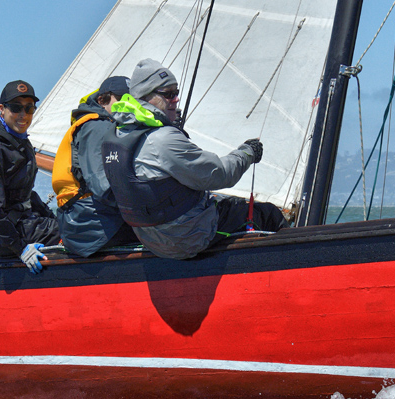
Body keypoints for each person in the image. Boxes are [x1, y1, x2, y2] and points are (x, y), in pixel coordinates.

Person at [102, 58, 287, 260]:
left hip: (151, 238)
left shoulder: (117, 135)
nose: (176, 100)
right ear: (146, 97)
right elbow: (221, 175)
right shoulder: (162, 139)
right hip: (186, 239)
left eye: (176, 93)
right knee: (267, 214)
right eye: (169, 94)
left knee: (226, 203)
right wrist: (247, 152)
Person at [0, 81, 60, 273]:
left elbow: (26, 195)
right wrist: (20, 248)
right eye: (16, 108)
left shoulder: (22, 144)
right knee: (75, 233)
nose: (23, 115)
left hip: (21, 224)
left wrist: (53, 218)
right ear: (2, 109)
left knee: (70, 223)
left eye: (29, 108)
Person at [51, 76, 138, 257]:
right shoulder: (98, 126)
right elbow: (102, 186)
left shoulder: (108, 125)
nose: (128, 104)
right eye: (122, 99)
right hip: (89, 227)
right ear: (102, 100)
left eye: (132, 100)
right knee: (165, 231)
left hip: (86, 221)